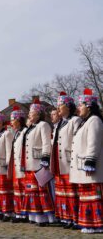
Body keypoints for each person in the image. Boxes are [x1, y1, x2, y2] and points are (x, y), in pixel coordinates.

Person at [70, 88, 103, 234]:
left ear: (88, 106)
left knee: (93, 196)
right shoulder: (85, 122)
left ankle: (97, 224)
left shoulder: (94, 120)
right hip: (82, 166)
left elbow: (93, 142)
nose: (78, 108)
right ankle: (88, 223)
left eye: (81, 105)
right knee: (86, 196)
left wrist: (91, 159)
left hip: (90, 166)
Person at [21, 98, 54, 227]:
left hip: (39, 164)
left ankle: (45, 217)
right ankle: (34, 215)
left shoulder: (43, 125)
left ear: (38, 113)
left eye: (31, 112)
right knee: (31, 192)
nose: (29, 114)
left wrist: (45, 158)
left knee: (41, 191)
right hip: (29, 164)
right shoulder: (30, 128)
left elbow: (46, 143)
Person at [51, 92, 81, 229]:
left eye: (60, 106)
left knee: (72, 192)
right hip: (59, 161)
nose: (58, 109)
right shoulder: (60, 124)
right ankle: (66, 218)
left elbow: (77, 140)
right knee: (62, 192)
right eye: (57, 106)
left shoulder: (75, 121)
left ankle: (76, 218)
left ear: (68, 107)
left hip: (69, 161)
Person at [8, 106, 28, 223]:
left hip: (23, 165)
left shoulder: (25, 132)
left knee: (24, 190)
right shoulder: (15, 133)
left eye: (12, 120)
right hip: (16, 165)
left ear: (19, 120)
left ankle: (25, 213)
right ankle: (18, 212)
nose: (11, 123)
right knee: (17, 190)